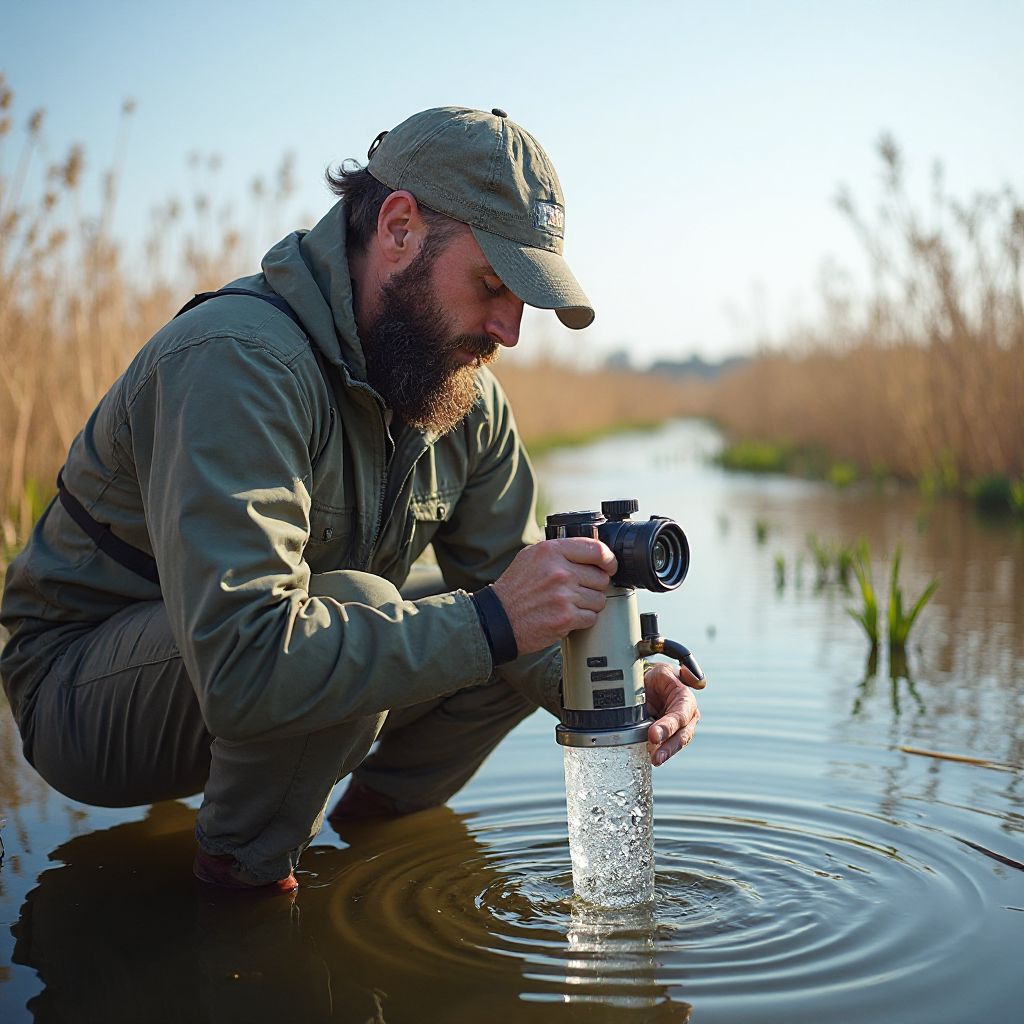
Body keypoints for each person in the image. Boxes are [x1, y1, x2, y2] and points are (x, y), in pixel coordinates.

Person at [0, 107, 701, 894]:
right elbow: (244, 663)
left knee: (532, 611)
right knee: (416, 610)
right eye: (493, 284)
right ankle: (242, 886)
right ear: (398, 227)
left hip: (242, 664)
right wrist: (498, 616)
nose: (510, 330)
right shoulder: (238, 359)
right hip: (82, 692)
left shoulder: (462, 394)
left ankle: (369, 851)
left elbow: (519, 591)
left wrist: (614, 679)